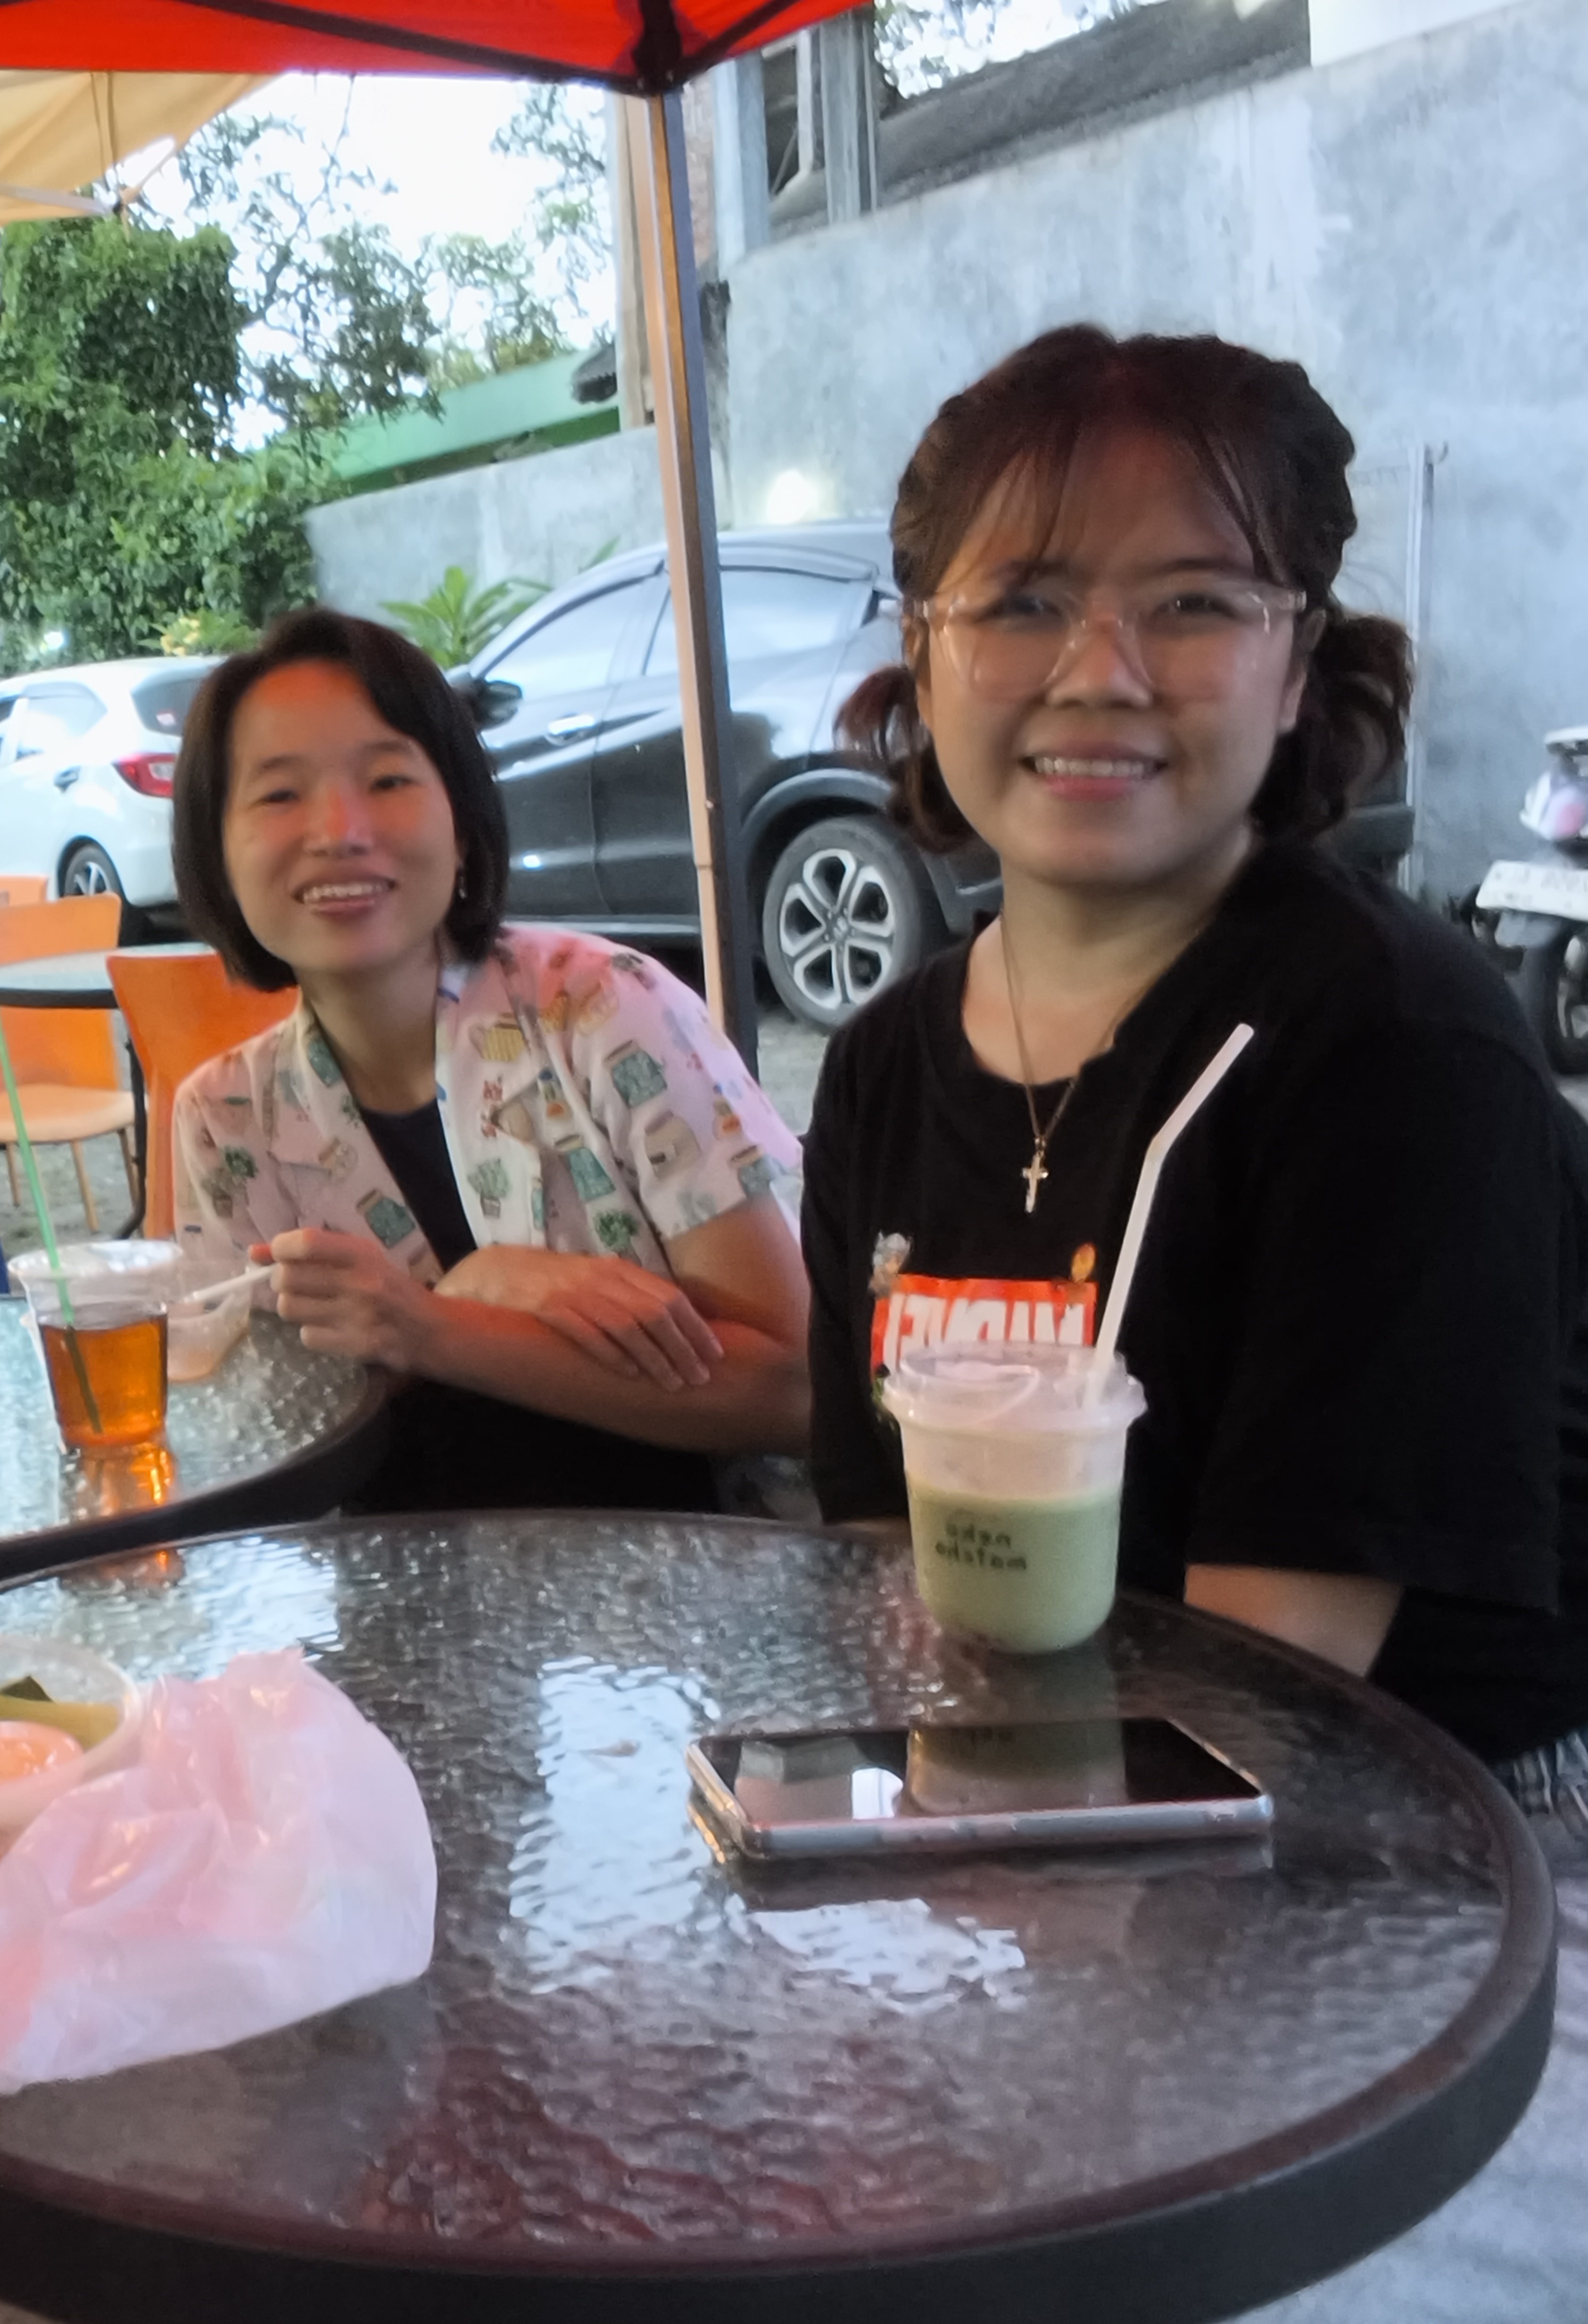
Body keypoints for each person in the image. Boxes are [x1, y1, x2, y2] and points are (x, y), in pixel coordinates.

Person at [799, 324, 1588, 2319]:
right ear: (920, 641)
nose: (1099, 671)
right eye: (1026, 599)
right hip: (1043, 1812)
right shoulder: (885, 1061)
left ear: (1300, 654)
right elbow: (869, 1569)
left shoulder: (1394, 1050)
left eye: (1190, 603)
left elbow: (1264, 1690)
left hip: (1437, 1858)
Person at [165, 608, 811, 1513]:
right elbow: (265, 1438)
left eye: (388, 778)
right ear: (216, 853)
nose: (340, 829)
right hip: (399, 1604)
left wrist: (442, 1319)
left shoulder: (603, 1009)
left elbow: (790, 1393)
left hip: (689, 1581)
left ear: (463, 824)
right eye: (279, 795)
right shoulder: (226, 1118)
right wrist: (489, 1295)